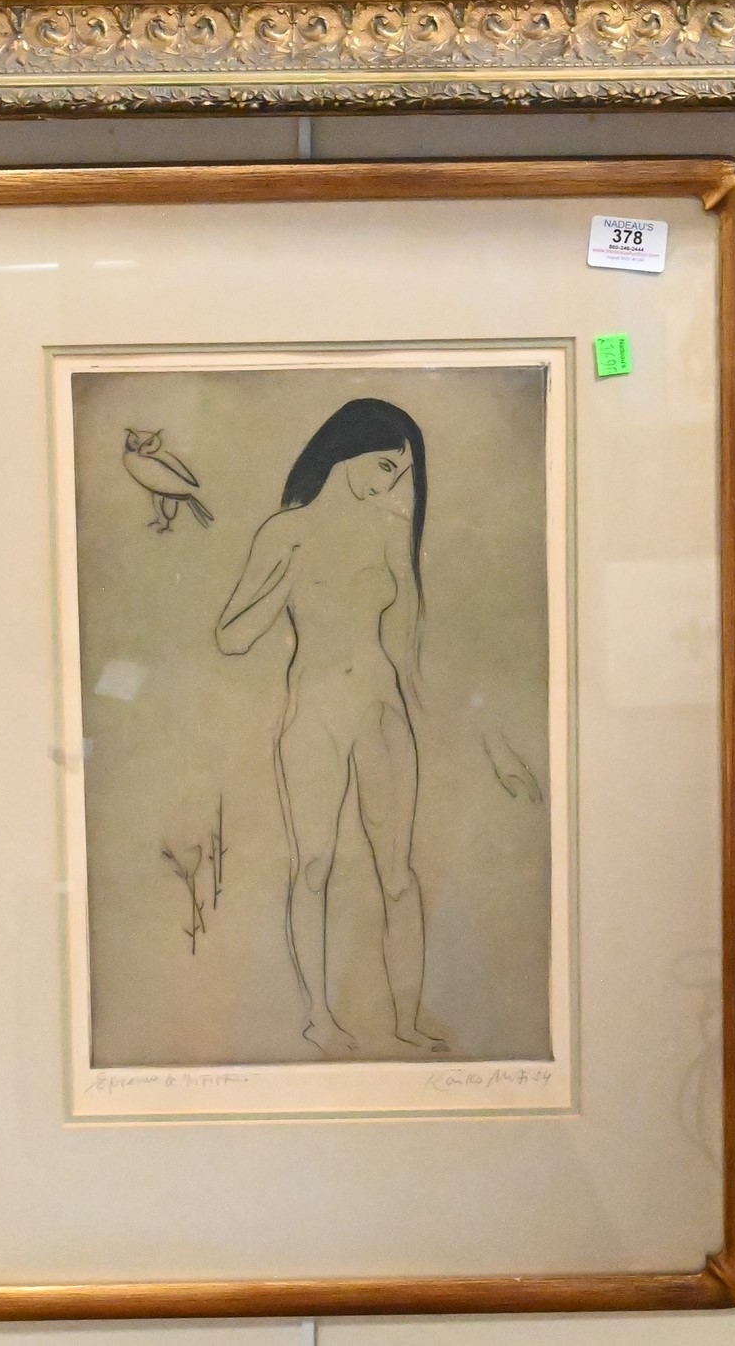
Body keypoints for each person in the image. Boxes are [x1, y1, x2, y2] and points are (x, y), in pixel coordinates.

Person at [215, 397, 448, 1057]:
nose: (390, 485)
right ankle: (319, 1015)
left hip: (381, 711)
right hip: (313, 714)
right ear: (348, 450)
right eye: (384, 466)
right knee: (313, 864)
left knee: (397, 872)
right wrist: (286, 578)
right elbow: (231, 637)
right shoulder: (284, 532)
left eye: (401, 474)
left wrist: (427, 709)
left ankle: (407, 1019)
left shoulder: (390, 532)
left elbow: (406, 639)